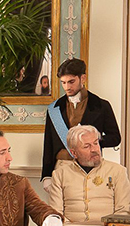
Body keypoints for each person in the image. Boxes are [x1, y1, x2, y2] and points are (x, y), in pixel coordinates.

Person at [41, 58, 121, 192]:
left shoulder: (101, 106)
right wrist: (46, 175)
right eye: (63, 82)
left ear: (82, 78)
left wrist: (94, 139)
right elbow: (48, 144)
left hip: (91, 167)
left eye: (71, 82)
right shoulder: (54, 109)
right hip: (61, 167)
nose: (67, 87)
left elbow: (115, 138)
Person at [48, 124, 130, 223]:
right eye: (87, 146)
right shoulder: (60, 174)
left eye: (96, 143)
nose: (94, 149)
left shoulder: (117, 171)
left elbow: (124, 211)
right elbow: (56, 213)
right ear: (74, 153)